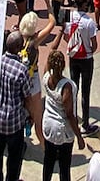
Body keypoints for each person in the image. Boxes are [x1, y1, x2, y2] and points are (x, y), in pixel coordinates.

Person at [0, 31, 42, 181]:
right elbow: (27, 98)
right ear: (19, 48)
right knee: (14, 158)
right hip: (14, 123)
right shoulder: (21, 70)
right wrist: (32, 116)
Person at [41, 49, 86, 181]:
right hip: (62, 129)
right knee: (64, 166)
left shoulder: (45, 77)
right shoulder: (66, 87)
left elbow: (51, 51)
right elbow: (70, 115)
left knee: (48, 161)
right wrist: (79, 136)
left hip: (48, 125)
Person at [65, 0, 100, 135]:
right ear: (85, 3)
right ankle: (85, 124)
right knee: (86, 92)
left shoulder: (69, 17)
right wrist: (88, 51)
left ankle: (72, 119)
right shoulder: (89, 22)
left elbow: (66, 37)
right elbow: (94, 44)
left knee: (74, 88)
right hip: (86, 59)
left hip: (73, 57)